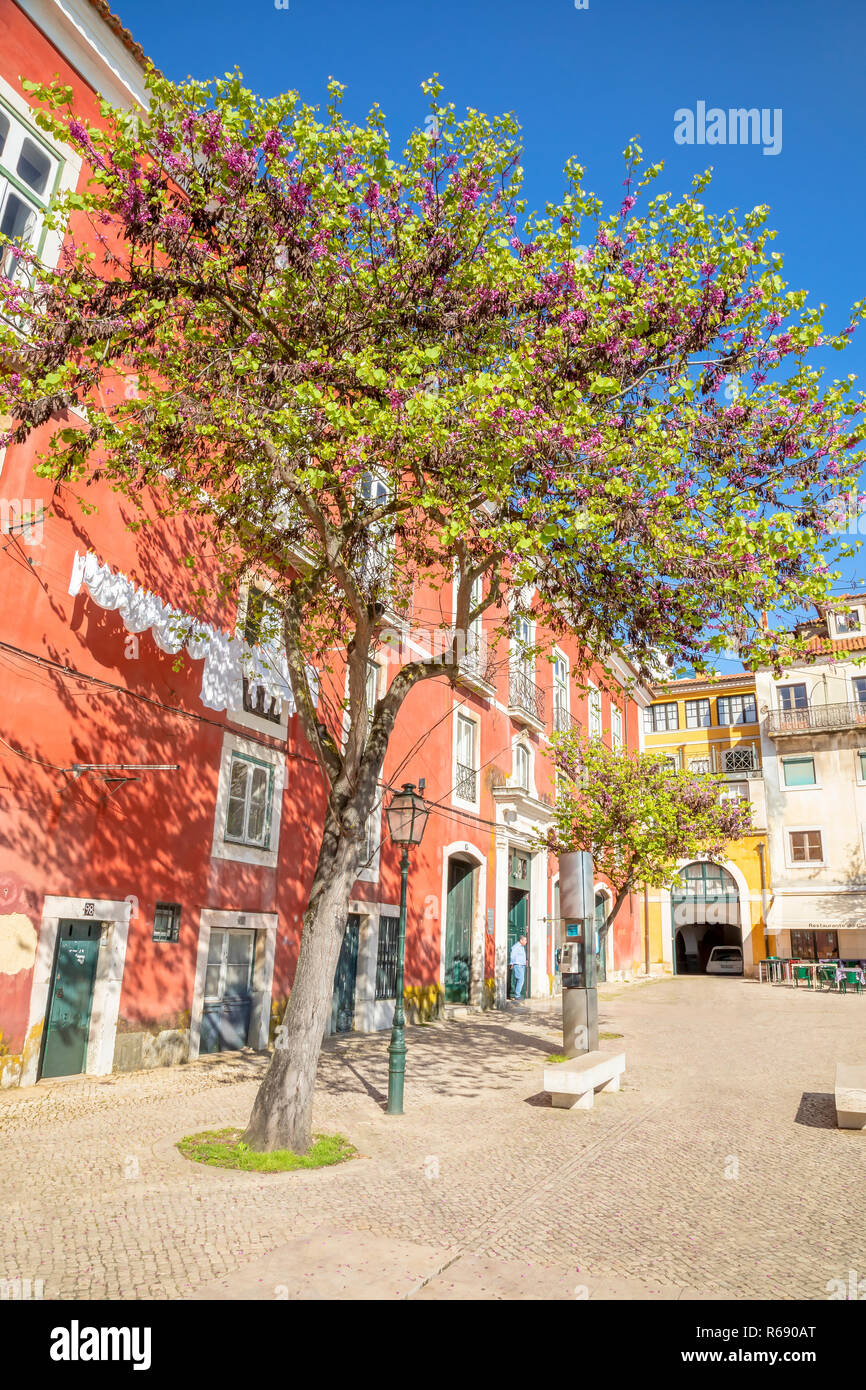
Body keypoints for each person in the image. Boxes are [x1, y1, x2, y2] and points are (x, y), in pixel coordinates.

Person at [510, 934, 527, 1001]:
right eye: (525, 940)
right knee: (520, 979)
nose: (526, 942)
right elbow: (512, 955)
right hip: (518, 965)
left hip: (522, 965)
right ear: (521, 940)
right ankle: (517, 995)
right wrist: (511, 963)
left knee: (520, 979)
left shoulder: (521, 947)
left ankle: (517, 994)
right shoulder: (516, 946)